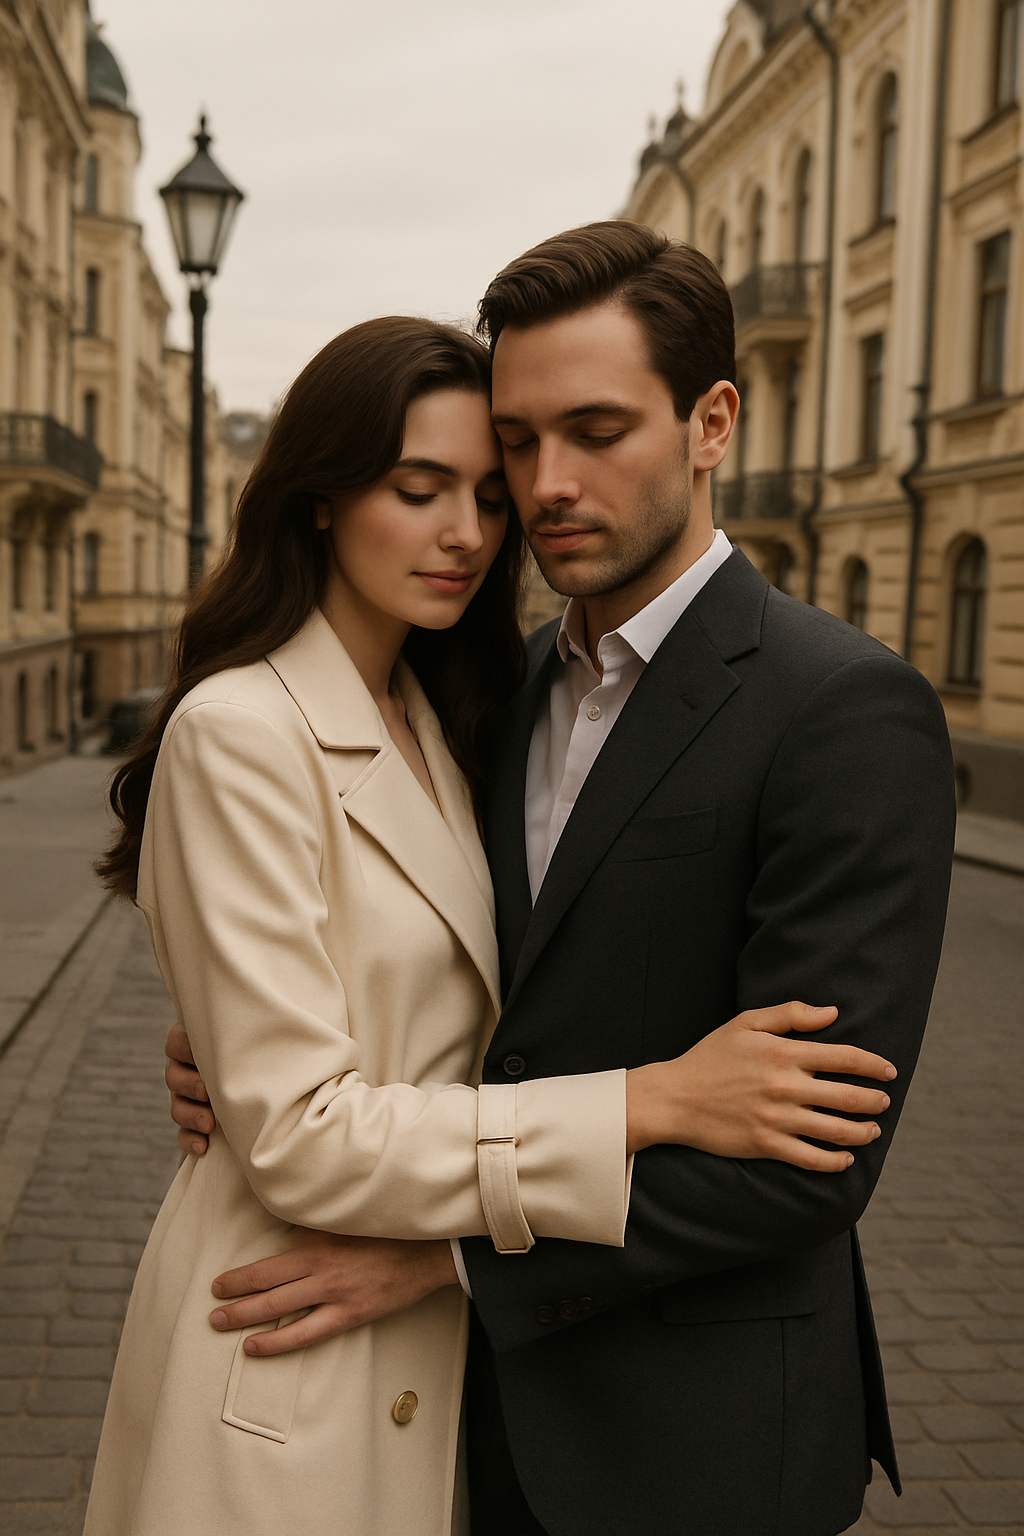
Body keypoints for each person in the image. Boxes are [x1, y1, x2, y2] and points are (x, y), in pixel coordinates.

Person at [88, 310, 895, 1536]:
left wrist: (270, 1048)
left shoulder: (457, 706)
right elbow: (306, 1124)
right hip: (290, 1327)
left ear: (708, 427)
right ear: (317, 496)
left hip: (510, 1366)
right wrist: (656, 1096)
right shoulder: (283, 722)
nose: (476, 528)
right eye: (425, 487)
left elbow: (797, 1138)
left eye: (488, 487)